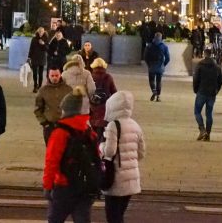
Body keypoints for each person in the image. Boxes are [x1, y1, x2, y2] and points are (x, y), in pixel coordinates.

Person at [43, 89, 97, 223]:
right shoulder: (88, 131)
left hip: (64, 186)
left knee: (54, 219)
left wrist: (47, 186)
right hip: (85, 187)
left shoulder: (60, 133)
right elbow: (96, 157)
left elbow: (51, 162)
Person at [101, 91, 145, 223]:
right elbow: (141, 153)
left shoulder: (113, 125)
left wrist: (100, 146)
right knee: (119, 214)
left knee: (113, 216)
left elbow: (109, 151)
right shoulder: (135, 125)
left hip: (116, 178)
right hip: (132, 177)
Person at [35, 67, 73, 144]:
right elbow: (38, 109)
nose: (54, 78)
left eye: (56, 75)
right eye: (52, 75)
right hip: (49, 125)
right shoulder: (43, 90)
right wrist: (44, 123)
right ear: (48, 76)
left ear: (60, 75)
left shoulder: (68, 89)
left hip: (65, 125)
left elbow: (74, 107)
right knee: (50, 150)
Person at [193, 48, 222, 141]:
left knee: (197, 111)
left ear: (204, 54)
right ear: (212, 55)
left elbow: (196, 78)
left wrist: (195, 89)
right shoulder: (217, 67)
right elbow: (220, 80)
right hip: (212, 93)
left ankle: (202, 129)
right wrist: (217, 90)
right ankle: (208, 134)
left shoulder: (200, 65)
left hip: (201, 91)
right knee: (209, 113)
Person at [89, 58, 118, 135]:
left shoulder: (90, 77)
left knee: (93, 128)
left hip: (92, 105)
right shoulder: (108, 77)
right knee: (103, 129)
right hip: (105, 106)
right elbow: (114, 92)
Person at [144, 32, 170, 102]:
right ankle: (158, 96)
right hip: (160, 66)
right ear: (161, 38)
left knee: (151, 80)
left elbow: (145, 57)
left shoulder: (149, 46)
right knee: (159, 81)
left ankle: (154, 91)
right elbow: (168, 58)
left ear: (154, 37)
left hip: (152, 66)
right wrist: (163, 65)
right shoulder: (164, 47)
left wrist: (148, 64)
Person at [28, 27, 49, 92]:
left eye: (42, 31)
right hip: (34, 57)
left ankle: (39, 86)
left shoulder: (46, 39)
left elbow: (47, 49)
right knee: (34, 73)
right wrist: (29, 57)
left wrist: (43, 44)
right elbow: (31, 48)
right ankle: (35, 85)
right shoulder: (34, 39)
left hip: (42, 57)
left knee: (40, 73)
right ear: (37, 32)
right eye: (39, 31)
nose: (41, 32)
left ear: (44, 32)